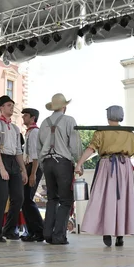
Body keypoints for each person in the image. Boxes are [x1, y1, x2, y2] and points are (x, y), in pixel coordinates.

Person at [75, 106, 134, 247]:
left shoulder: (101, 132)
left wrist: (79, 164)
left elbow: (90, 149)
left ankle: (108, 232)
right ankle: (120, 235)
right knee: (122, 200)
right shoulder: (130, 134)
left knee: (105, 199)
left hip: (107, 166)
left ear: (108, 116)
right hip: (124, 167)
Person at [38, 93, 82, 245]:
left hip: (47, 162)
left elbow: (39, 147)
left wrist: (42, 164)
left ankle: (47, 233)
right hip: (62, 163)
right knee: (65, 200)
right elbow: (75, 145)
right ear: (64, 107)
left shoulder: (44, 123)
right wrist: (79, 162)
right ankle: (59, 236)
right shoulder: (69, 120)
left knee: (51, 199)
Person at [0, 95, 28, 242]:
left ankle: (9, 229)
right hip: (1, 160)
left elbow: (18, 151)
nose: (11, 107)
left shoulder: (16, 128)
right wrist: (2, 168)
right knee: (1, 198)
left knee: (18, 197)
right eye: (8, 105)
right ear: (1, 108)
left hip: (13, 162)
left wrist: (23, 169)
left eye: (12, 105)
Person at [20, 108, 45, 242]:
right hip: (28, 166)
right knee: (25, 200)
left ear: (33, 117)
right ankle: (32, 231)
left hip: (33, 166)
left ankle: (39, 230)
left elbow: (36, 155)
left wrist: (33, 173)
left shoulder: (35, 132)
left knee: (28, 199)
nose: (23, 117)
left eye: (26, 115)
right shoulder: (29, 133)